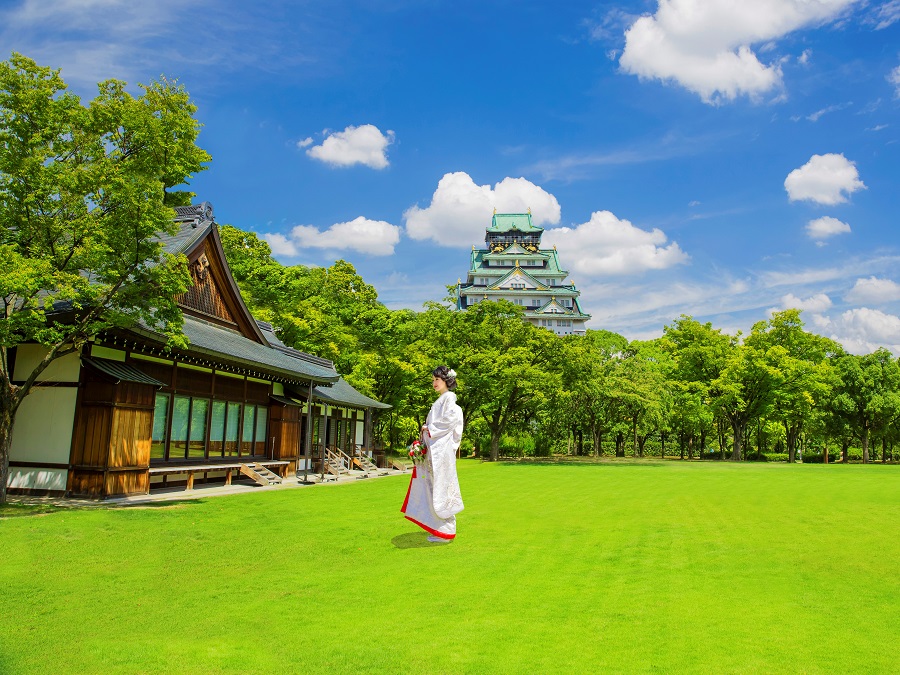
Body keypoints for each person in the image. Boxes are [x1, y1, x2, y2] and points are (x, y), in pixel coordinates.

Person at [401, 366, 465, 543]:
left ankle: (446, 531)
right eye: (433, 380)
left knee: (440, 488)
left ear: (446, 381)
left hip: (441, 454)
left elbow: (449, 421)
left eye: (437, 379)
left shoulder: (449, 400)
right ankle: (440, 530)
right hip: (436, 452)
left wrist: (429, 429)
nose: (434, 383)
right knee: (434, 487)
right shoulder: (441, 400)